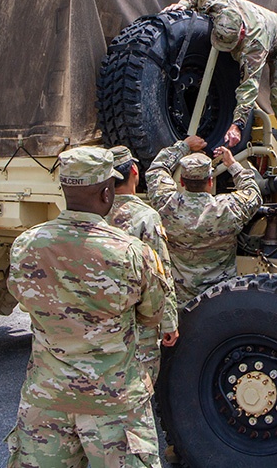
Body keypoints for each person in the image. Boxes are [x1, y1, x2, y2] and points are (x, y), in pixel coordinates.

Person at [6, 146, 168, 468]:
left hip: (47, 399)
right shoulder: (131, 253)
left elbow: (23, 299)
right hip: (114, 405)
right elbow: (153, 313)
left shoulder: (26, 245)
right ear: (107, 193)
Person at [164, 0, 277, 167]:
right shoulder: (220, 6)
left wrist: (237, 125)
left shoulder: (254, 45)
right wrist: (182, 5)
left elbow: (249, 87)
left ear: (241, 34)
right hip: (261, 28)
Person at [146, 135, 262, 304]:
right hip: (221, 299)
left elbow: (156, 170)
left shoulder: (166, 205)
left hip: (181, 302)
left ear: (181, 182)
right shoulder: (228, 208)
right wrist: (232, 164)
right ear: (210, 181)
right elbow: (253, 193)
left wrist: (184, 145)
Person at [107, 145, 179, 385]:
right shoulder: (146, 217)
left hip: (99, 317)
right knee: (140, 384)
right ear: (134, 171)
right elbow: (161, 273)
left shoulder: (95, 213)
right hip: (137, 320)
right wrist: (169, 321)